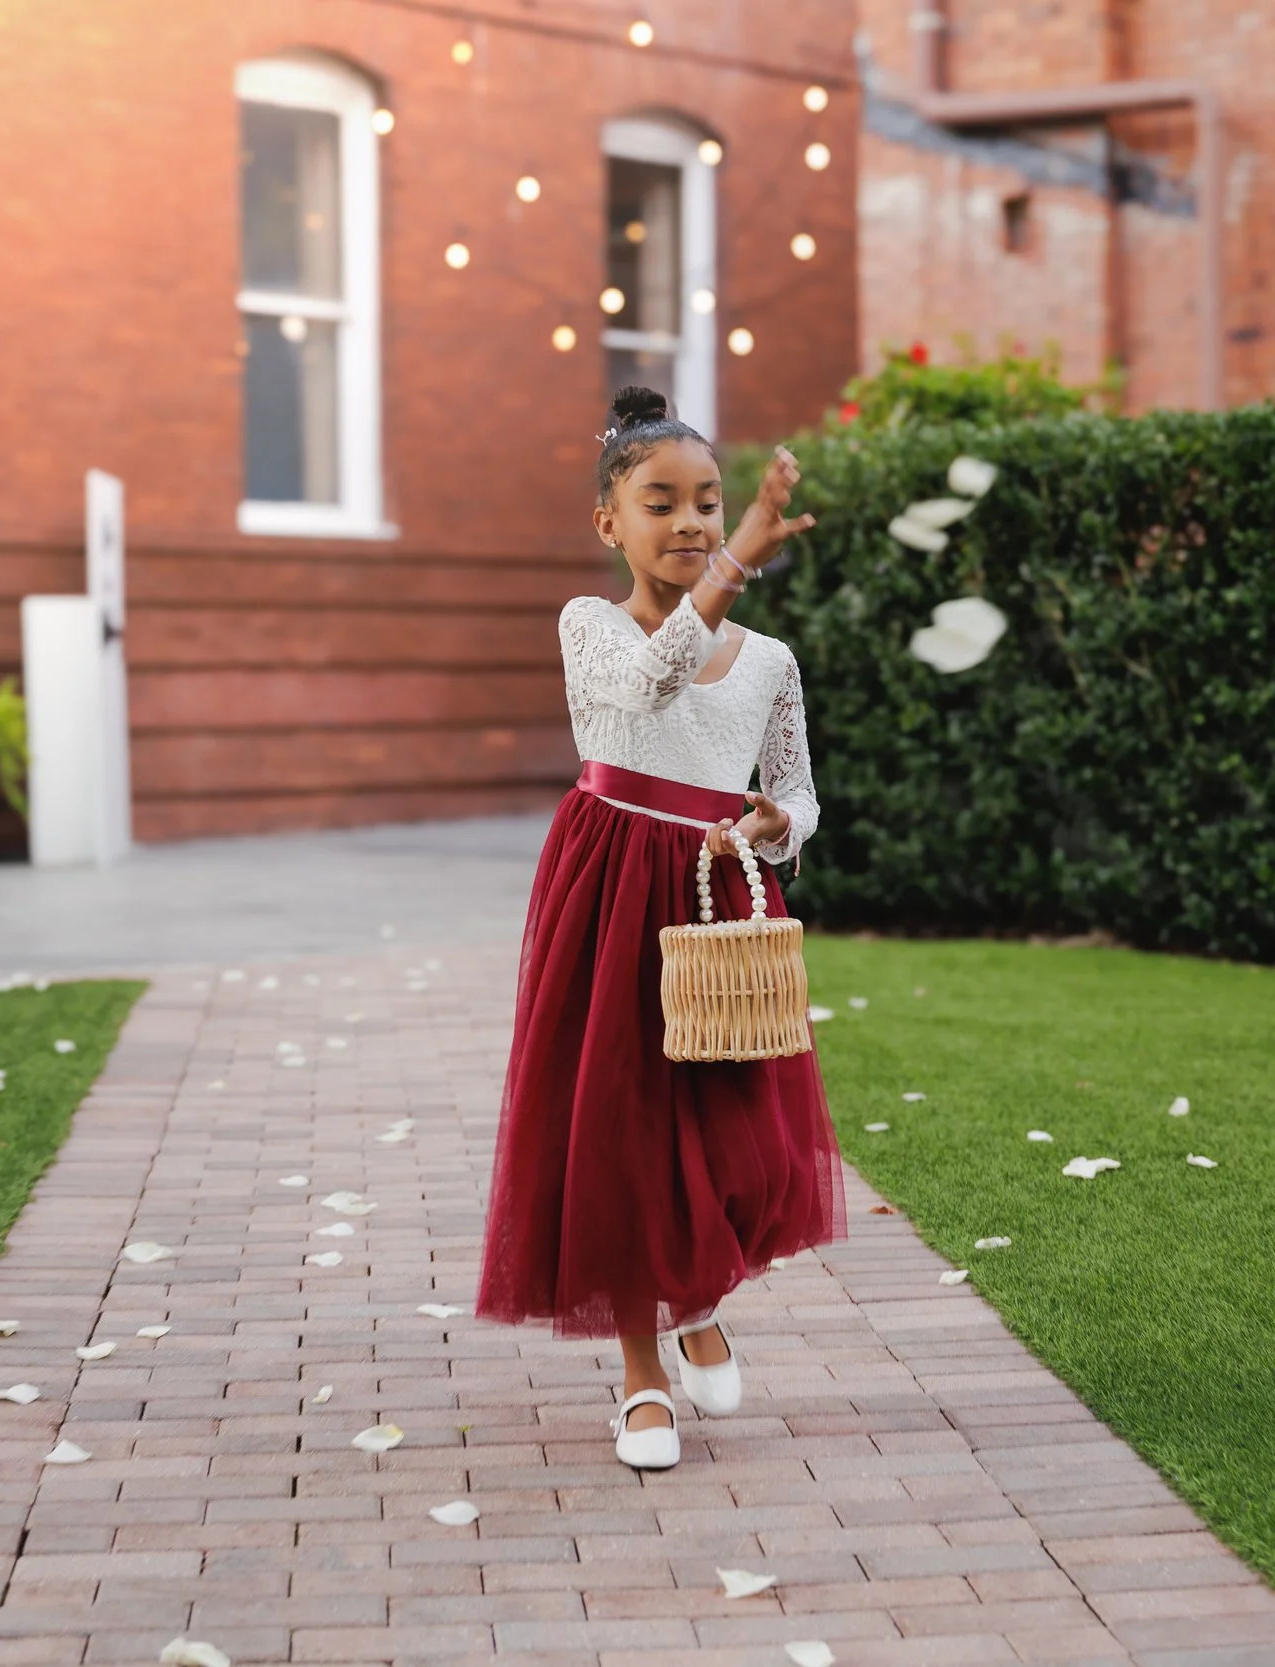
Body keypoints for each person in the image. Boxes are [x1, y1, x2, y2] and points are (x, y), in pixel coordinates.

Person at [476, 386, 843, 1470]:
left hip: (717, 897)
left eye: (709, 502)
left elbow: (798, 792)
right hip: (609, 889)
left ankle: (699, 1297)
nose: (690, 521)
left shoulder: (771, 661)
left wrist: (779, 824)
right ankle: (642, 1372)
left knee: (740, 1136)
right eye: (661, 501)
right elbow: (648, 686)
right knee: (620, 1127)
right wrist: (733, 565)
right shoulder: (588, 626)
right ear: (609, 522)